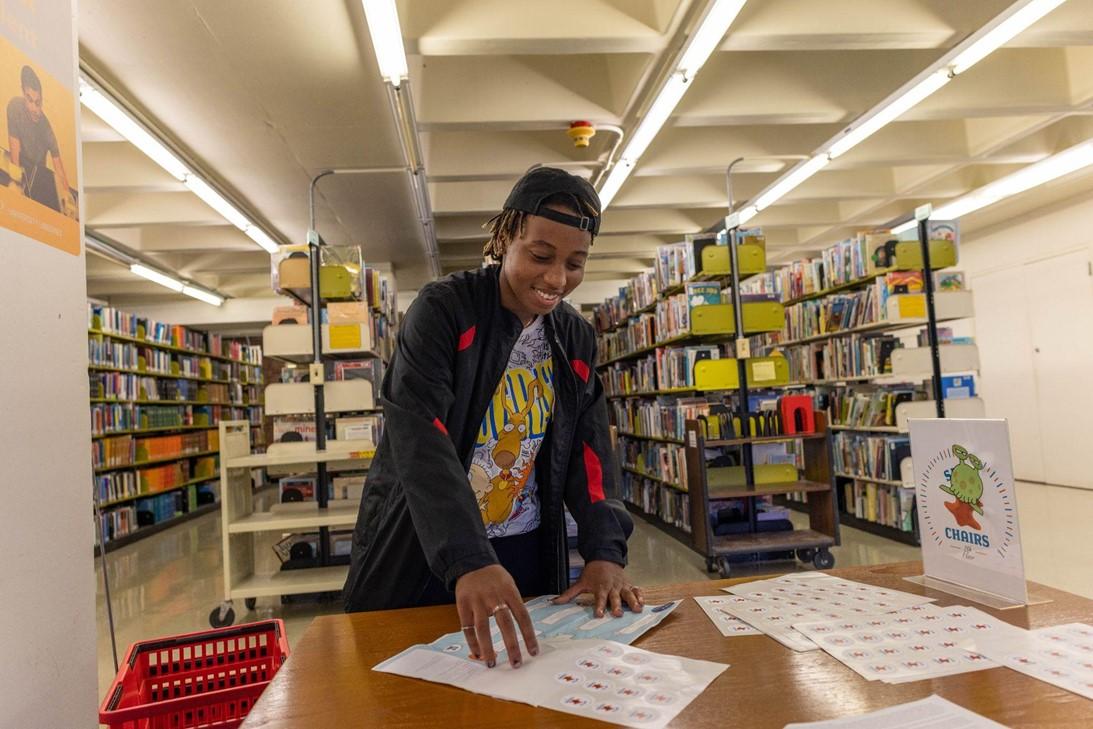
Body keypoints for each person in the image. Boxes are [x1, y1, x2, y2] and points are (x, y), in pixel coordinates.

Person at [344, 166, 642, 669]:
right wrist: (469, 558)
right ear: (505, 239)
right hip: (424, 547)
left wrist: (605, 551)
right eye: (540, 256)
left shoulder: (574, 337)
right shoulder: (444, 311)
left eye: (575, 263)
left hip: (525, 547)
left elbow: (588, 449)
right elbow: (421, 441)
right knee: (405, 684)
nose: (557, 279)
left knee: (519, 682)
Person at [7, 65, 71, 212]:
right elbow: (14, 151)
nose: (35, 109)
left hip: (38, 179)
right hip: (20, 169)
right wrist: (16, 182)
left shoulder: (47, 129)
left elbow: (59, 169)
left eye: (38, 103)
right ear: (23, 92)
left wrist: (67, 197)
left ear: (41, 100)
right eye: (29, 100)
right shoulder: (14, 107)